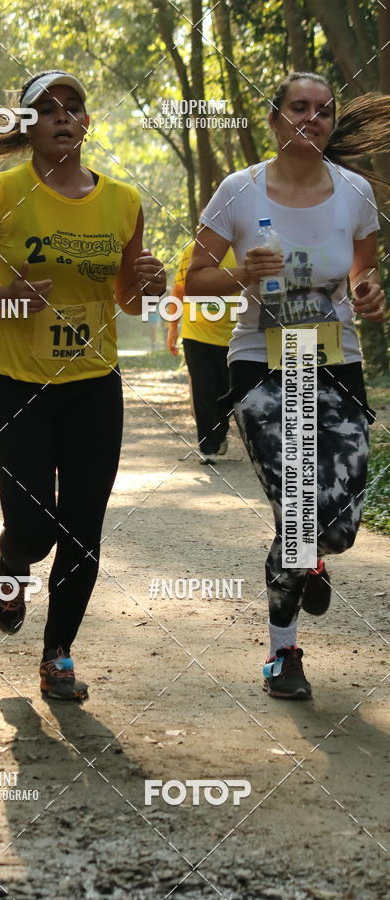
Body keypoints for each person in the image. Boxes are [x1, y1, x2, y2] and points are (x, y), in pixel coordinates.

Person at [0, 71, 166, 700]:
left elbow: (128, 300)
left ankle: (57, 655)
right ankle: (11, 563)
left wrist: (149, 286)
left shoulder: (123, 201)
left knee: (84, 529)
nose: (62, 115)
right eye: (46, 109)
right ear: (28, 126)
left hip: (94, 386)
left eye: (74, 106)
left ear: (87, 123)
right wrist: (5, 298)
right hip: (18, 384)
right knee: (35, 530)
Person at [186, 72, 387, 699]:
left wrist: (368, 293)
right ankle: (283, 654)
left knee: (339, 525)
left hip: (336, 361)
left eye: (323, 110)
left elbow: (364, 271)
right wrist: (242, 273)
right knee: (298, 515)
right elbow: (194, 279)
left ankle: (318, 555)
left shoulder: (354, 192)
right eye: (298, 107)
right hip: (263, 362)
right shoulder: (238, 190)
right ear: (274, 119)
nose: (311, 117)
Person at [167, 230, 238, 462]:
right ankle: (208, 447)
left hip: (231, 335)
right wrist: (173, 328)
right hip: (195, 334)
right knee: (202, 389)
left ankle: (220, 432)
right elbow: (179, 289)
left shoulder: (240, 251)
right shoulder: (192, 250)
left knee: (226, 390)